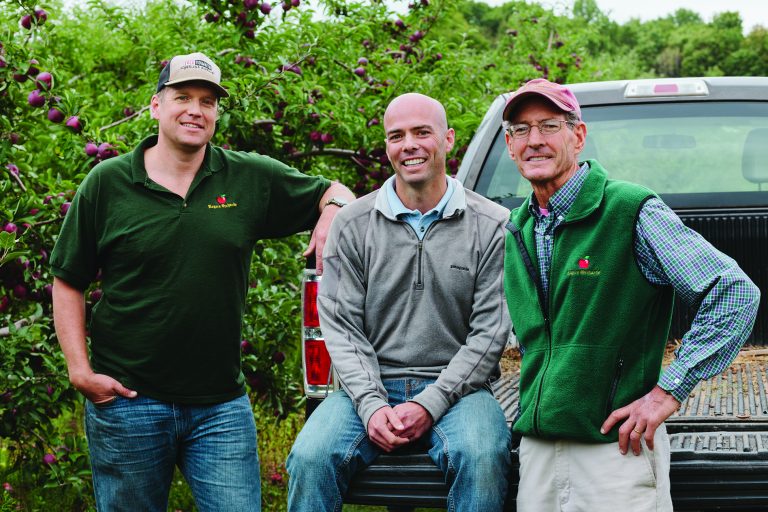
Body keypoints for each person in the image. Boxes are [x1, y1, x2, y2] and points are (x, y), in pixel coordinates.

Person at [50, 52, 354, 512]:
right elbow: (67, 280)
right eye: (183, 97)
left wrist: (331, 212)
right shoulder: (107, 184)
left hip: (220, 407)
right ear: (156, 106)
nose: (196, 109)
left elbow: (337, 189)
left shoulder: (249, 177)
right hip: (127, 400)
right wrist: (79, 370)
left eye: (208, 101)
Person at [501, 78, 761, 512]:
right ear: (509, 146)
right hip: (539, 448)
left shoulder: (630, 210)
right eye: (521, 130)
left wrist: (667, 392)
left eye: (548, 125)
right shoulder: (517, 228)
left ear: (578, 135)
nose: (534, 141)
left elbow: (734, 293)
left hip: (617, 450)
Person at [286, 93, 512, 511]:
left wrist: (430, 403)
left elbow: (490, 333)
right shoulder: (352, 224)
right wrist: (372, 406)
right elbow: (341, 326)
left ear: (448, 139)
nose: (409, 144)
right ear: (387, 146)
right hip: (368, 388)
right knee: (309, 459)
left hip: (462, 393)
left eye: (421, 132)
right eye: (397, 136)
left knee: (482, 458)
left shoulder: (493, 224)